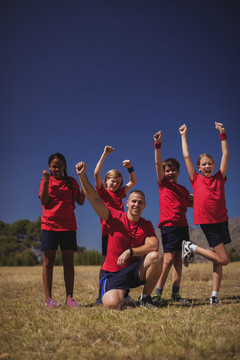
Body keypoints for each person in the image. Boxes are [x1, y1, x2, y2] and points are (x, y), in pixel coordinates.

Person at [75, 161, 163, 310]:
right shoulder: (113, 216)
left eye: (140, 202)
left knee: (155, 257)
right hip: (114, 273)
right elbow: (94, 199)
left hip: (134, 271)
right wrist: (82, 176)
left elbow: (153, 245)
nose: (136, 204)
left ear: (144, 206)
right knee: (113, 304)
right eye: (134, 201)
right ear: (127, 203)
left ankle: (146, 297)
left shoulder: (146, 224)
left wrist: (130, 252)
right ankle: (123, 295)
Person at [179, 122, 231, 305]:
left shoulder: (219, 177)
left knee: (218, 260)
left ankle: (214, 296)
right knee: (224, 259)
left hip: (222, 220)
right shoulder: (196, 179)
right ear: (199, 168)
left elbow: (226, 154)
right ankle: (191, 247)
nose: (207, 166)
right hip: (208, 222)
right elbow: (186, 156)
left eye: (210, 163)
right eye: (204, 164)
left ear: (214, 165)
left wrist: (222, 133)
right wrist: (183, 135)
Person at [152, 131, 193, 305]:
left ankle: (175, 293)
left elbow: (193, 204)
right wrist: (157, 145)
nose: (170, 173)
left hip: (183, 226)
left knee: (178, 260)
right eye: (167, 170)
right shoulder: (163, 185)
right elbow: (157, 164)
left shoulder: (183, 190)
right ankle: (157, 293)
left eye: (173, 170)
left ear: (178, 171)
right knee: (168, 259)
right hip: (169, 227)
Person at [39, 153, 85, 308]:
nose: (56, 168)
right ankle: (48, 299)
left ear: (64, 166)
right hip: (49, 225)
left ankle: (70, 298)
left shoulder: (71, 182)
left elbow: (80, 201)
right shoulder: (46, 180)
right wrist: (46, 181)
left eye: (59, 166)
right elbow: (44, 201)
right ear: (49, 167)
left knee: (68, 263)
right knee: (48, 262)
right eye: (53, 166)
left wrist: (82, 178)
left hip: (68, 226)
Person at [94, 145, 137, 304]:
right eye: (113, 181)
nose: (116, 185)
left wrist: (130, 168)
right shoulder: (102, 192)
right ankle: (100, 295)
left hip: (123, 233)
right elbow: (96, 173)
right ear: (106, 181)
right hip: (108, 234)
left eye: (118, 182)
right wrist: (104, 154)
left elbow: (133, 181)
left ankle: (124, 294)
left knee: (125, 262)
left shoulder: (120, 194)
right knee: (106, 263)